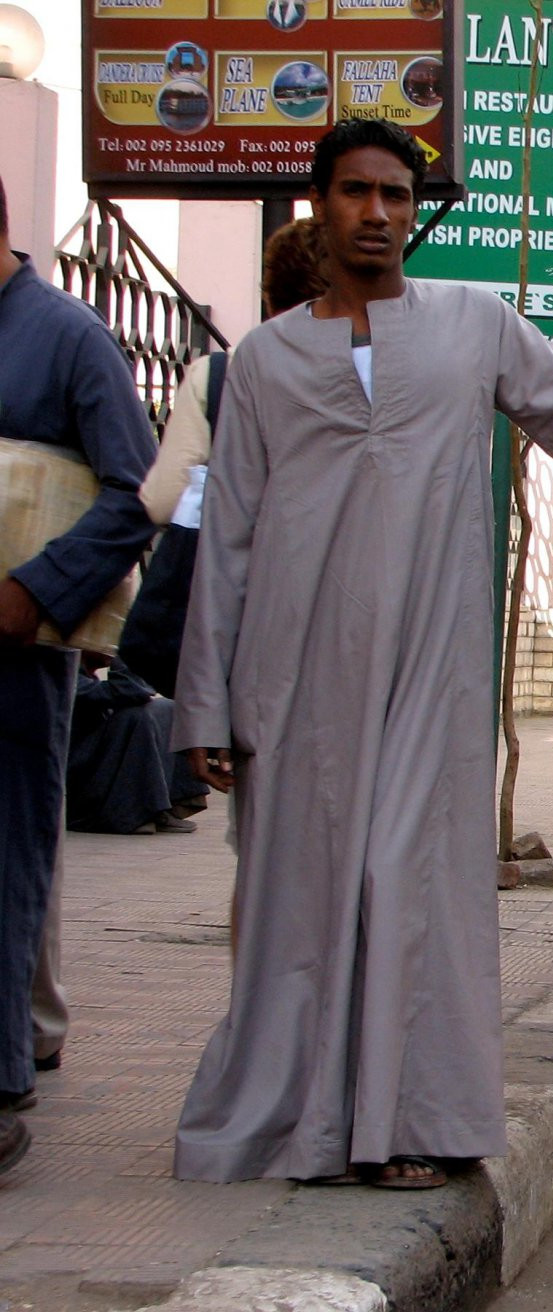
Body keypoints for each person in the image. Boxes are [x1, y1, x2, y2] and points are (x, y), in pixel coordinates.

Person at [170, 119, 553, 1188]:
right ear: (319, 205)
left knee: (411, 884)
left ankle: (408, 1127)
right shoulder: (259, 364)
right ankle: (293, 1122)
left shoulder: (472, 327)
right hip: (291, 683)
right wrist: (206, 707)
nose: (379, 216)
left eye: (397, 197)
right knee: (298, 903)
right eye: (357, 193)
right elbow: (230, 539)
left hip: (427, 679)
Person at [0, 175, 158, 1173]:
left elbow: (141, 483)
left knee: (9, 855)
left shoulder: (67, 337)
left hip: (14, 648)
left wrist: (41, 590)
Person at [125, 217, 328, 697]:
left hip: (223, 632)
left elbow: (160, 501)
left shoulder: (217, 377)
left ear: (268, 296)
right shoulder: (366, 384)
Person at [65, 656, 208, 835]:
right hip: (75, 776)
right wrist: (123, 654)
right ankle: (132, 811)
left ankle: (160, 807)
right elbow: (128, 691)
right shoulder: (60, 668)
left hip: (94, 759)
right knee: (135, 716)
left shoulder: (83, 673)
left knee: (167, 708)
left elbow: (134, 691)